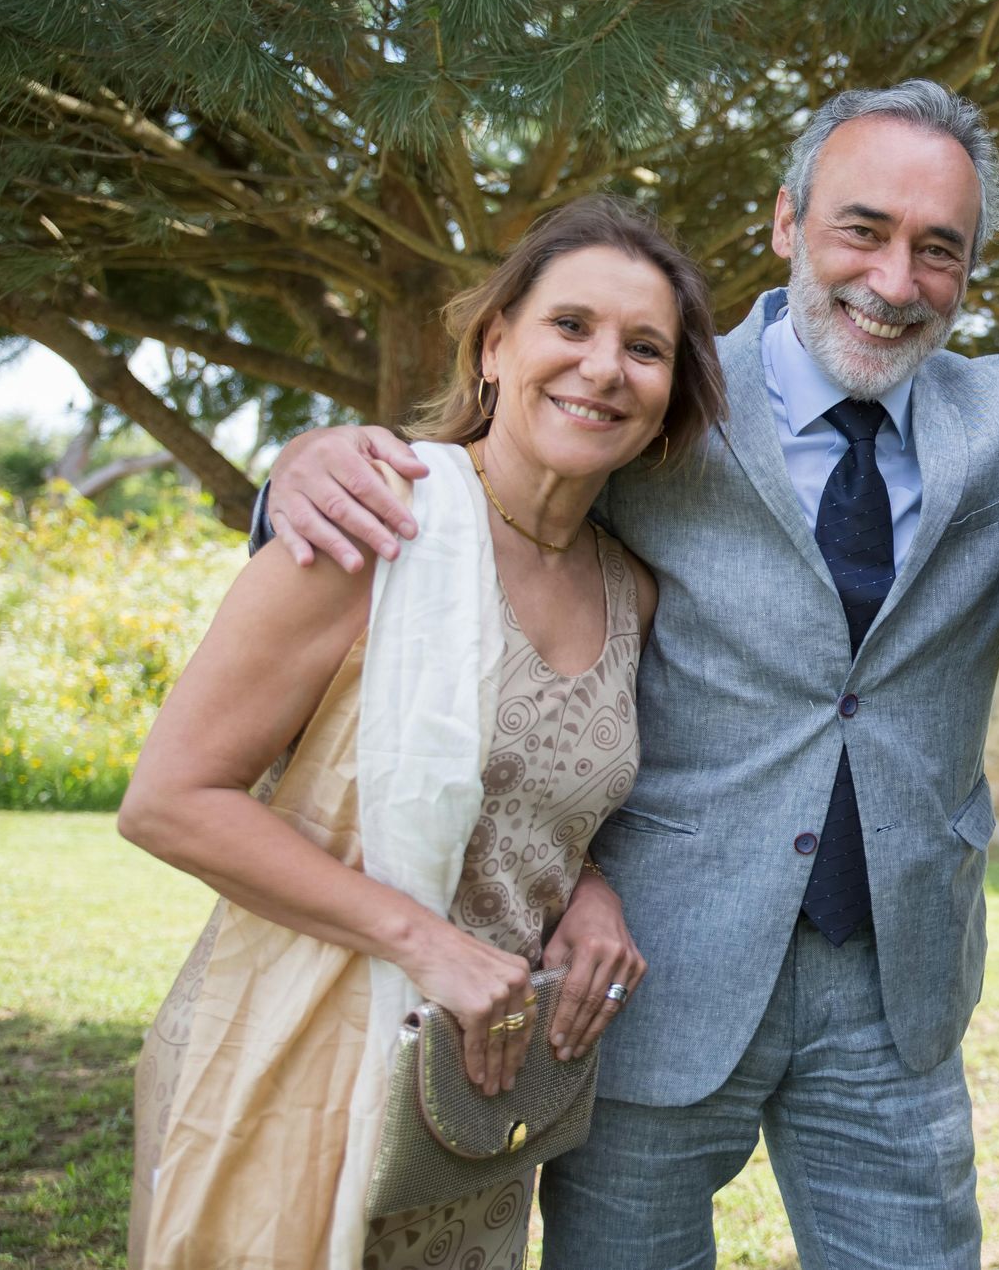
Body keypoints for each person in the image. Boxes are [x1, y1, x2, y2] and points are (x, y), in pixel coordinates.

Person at [256, 82, 999, 1269]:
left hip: (897, 991)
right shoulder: (658, 392)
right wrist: (303, 463)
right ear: (786, 224)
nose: (895, 281)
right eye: (864, 229)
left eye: (938, 250)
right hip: (647, 970)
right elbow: (485, 475)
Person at [117, 196, 725, 1270]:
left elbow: (531, 799)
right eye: (570, 326)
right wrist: (427, 942)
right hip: (297, 1069)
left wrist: (590, 889)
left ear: (670, 396)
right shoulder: (373, 526)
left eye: (645, 348)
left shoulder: (631, 592)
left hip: (467, 1116)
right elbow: (171, 800)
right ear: (496, 344)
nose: (603, 367)